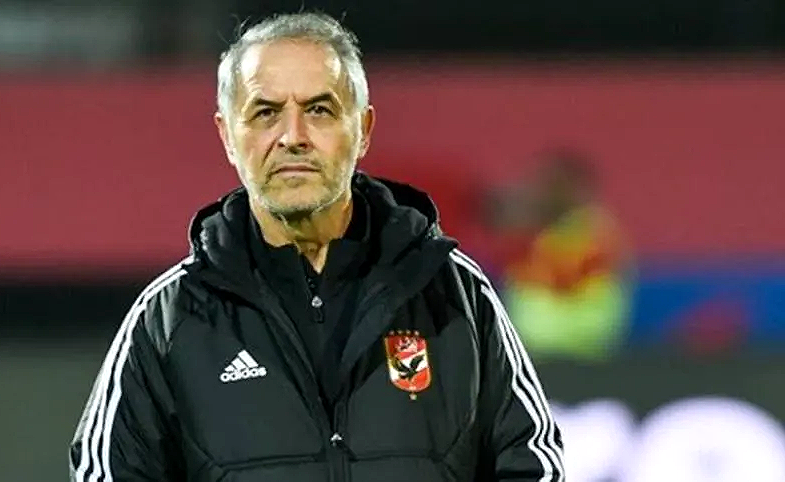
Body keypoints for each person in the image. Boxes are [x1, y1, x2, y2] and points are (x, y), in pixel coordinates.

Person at [69, 12, 564, 482]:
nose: (293, 137)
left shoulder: (455, 295)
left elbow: (533, 464)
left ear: (363, 130)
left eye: (319, 110)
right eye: (266, 113)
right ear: (227, 136)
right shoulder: (168, 318)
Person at [496, 149, 633, 361]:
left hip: (584, 338)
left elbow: (593, 304)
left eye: (552, 186)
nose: (541, 193)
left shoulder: (595, 231)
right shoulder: (533, 233)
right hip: (539, 344)